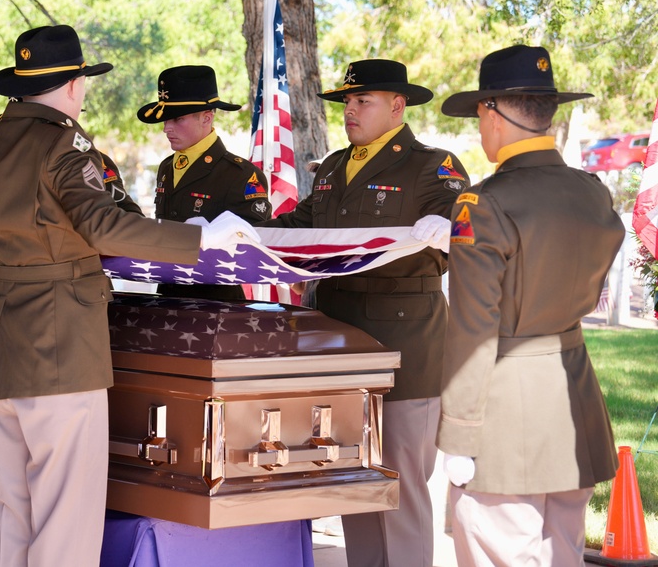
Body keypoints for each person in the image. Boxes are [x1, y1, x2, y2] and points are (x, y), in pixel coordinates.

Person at [0, 24, 257, 567]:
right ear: (75, 84)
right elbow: (102, 224)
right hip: (60, 349)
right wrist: (199, 239)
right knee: (65, 520)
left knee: (11, 512)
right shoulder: (63, 141)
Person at [257, 59, 470, 567]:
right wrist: (242, 230)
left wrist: (445, 222)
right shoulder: (332, 167)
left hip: (405, 355)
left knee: (397, 492)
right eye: (347, 102)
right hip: (340, 350)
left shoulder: (431, 164)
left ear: (398, 106)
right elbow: (298, 228)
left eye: (362, 101)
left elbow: (456, 214)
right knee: (350, 484)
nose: (349, 110)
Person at [437, 45, 623, 567]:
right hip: (574, 401)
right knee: (562, 552)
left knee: (500, 552)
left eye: (479, 115)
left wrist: (459, 434)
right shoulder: (592, 192)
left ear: (493, 114)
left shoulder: (485, 203)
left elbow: (474, 330)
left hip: (503, 416)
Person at [138, 64, 270, 299]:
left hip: (216, 301)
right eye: (165, 119)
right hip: (168, 294)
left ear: (207, 118)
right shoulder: (167, 167)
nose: (167, 128)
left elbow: (252, 244)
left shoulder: (240, 174)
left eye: (178, 118)